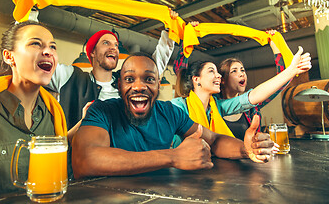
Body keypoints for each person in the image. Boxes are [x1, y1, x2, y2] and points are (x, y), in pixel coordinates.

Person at [71, 52, 277, 179]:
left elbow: (213, 140)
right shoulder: (102, 111)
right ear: (119, 85)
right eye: (129, 79)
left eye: (149, 79)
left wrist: (245, 148)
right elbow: (84, 160)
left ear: (158, 85)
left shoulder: (169, 112)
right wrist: (173, 157)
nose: (139, 86)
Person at [21, 0, 178, 131]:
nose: (113, 48)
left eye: (116, 45)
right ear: (93, 53)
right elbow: (32, 60)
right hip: (79, 154)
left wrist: (169, 31)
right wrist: (31, 7)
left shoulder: (124, 82)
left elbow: (154, 66)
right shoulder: (71, 77)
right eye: (106, 43)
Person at [0, 21, 67, 200]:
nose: (48, 51)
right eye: (35, 43)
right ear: (9, 56)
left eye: (53, 46)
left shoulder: (55, 115)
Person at [170, 46, 311, 146]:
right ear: (196, 79)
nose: (218, 75)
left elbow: (253, 95)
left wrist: (292, 71)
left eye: (242, 70)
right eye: (211, 71)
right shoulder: (177, 106)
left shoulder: (217, 107)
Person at [218, 30, 287, 139]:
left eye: (242, 70)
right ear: (222, 80)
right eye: (234, 71)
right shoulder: (212, 104)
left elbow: (281, 81)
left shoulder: (252, 102)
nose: (241, 74)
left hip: (250, 155)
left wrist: (274, 44)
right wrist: (188, 37)